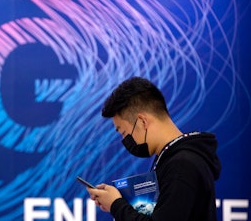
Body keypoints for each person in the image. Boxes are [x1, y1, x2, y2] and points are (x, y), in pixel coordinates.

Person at [87, 77, 221, 221]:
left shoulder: (182, 164)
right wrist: (118, 201)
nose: (125, 141)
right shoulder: (171, 158)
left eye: (124, 133)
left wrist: (116, 205)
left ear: (142, 121)